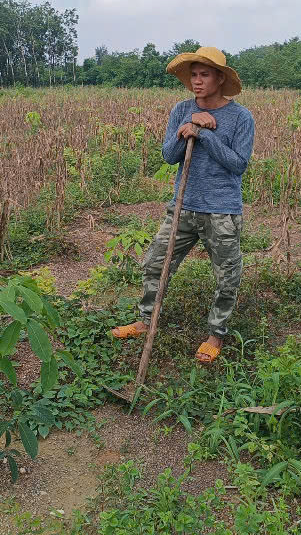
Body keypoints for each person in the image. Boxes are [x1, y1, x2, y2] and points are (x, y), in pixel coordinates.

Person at [110, 46, 255, 363]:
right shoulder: (181, 109)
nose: (197, 81)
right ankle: (146, 320)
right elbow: (169, 155)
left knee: (227, 276)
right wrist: (186, 128)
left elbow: (237, 164)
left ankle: (217, 333)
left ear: (220, 78)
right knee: (154, 263)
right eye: (193, 75)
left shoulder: (241, 117)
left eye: (204, 75)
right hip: (183, 205)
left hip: (222, 210)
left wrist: (204, 134)